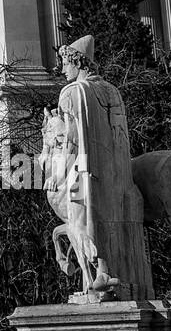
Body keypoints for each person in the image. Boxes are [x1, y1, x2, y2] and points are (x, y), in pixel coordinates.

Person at [56, 35, 153, 300]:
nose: (63, 69)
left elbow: (70, 140)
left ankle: (101, 273)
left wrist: (61, 171)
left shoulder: (71, 93)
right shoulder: (112, 91)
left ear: (77, 61)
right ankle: (117, 276)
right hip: (116, 172)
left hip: (81, 171)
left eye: (65, 63)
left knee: (78, 219)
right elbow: (121, 137)